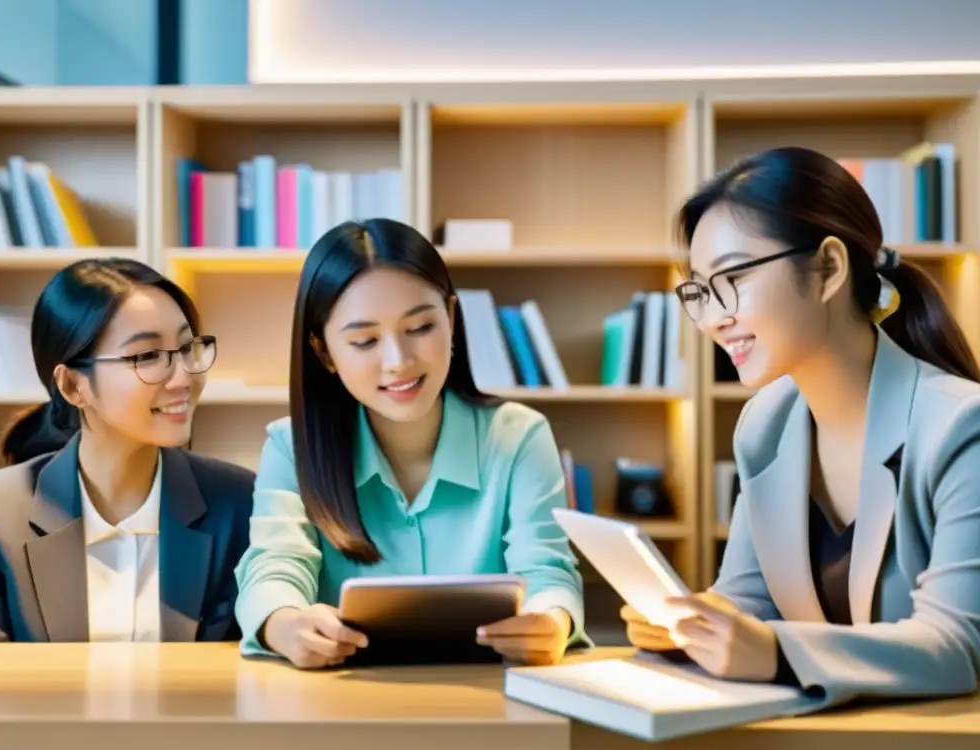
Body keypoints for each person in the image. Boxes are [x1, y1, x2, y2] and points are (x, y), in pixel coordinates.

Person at [623, 146, 980, 708]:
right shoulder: (764, 425)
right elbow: (748, 599)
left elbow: (958, 645)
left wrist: (773, 653)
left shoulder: (960, 426)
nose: (715, 318)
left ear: (829, 269)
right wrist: (695, 627)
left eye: (734, 277)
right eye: (699, 291)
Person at [233, 218, 587, 669]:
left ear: (452, 320)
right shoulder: (290, 447)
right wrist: (285, 624)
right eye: (364, 341)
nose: (398, 362)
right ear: (324, 353)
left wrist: (551, 622)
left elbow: (547, 569)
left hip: (490, 706)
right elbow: (274, 566)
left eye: (420, 328)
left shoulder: (519, 436)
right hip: (338, 705)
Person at [0, 258, 255, 642]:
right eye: (147, 356)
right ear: (73, 387)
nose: (183, 378)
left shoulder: (238, 503)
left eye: (185, 348)